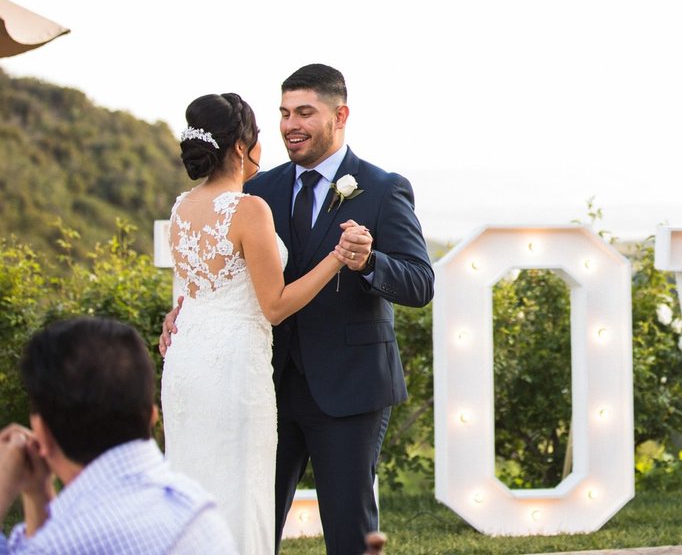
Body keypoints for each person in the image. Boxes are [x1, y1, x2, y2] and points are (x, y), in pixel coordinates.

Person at [163, 65, 435, 555]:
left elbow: (420, 282)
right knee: (250, 524)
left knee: (349, 537)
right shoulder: (258, 189)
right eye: (285, 113)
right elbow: (225, 262)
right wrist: (184, 311)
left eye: (305, 112)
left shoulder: (383, 186)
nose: (292, 124)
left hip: (350, 389)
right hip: (263, 386)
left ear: (340, 114)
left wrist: (369, 261)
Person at [159, 92, 365, 555]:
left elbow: (194, 290)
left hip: (187, 364)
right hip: (234, 365)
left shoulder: (180, 208)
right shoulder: (248, 209)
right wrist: (337, 257)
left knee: (193, 487)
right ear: (240, 147)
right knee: (239, 490)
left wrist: (174, 316)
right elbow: (274, 306)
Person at [0, 316, 238, 554]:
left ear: (42, 432)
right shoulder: (200, 512)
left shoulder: (57, 545)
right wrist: (38, 493)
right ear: (152, 416)